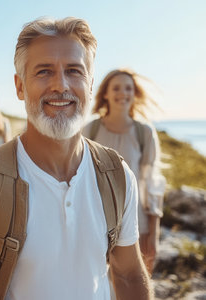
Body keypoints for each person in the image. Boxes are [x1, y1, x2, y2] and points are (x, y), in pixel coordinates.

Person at [0, 17, 153, 299]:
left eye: (74, 71)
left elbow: (128, 275)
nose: (60, 85)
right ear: (19, 86)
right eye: (44, 72)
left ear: (90, 84)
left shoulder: (117, 176)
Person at [83, 68, 166, 273]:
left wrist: (152, 234)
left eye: (128, 88)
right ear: (105, 94)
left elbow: (152, 183)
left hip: (136, 224)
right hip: (95, 223)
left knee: (131, 283)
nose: (123, 93)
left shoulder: (144, 133)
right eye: (117, 88)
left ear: (135, 94)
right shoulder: (90, 130)